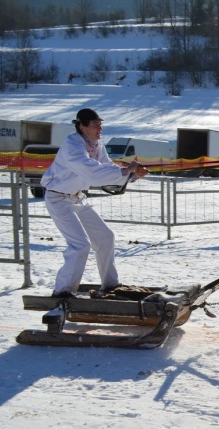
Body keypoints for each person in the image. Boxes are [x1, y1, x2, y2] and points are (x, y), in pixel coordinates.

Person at [40, 108, 149, 298]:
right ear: (82, 126)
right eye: (95, 125)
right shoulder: (72, 145)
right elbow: (92, 172)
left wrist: (132, 175)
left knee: (105, 237)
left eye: (101, 124)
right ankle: (63, 291)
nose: (100, 128)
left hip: (78, 198)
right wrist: (125, 171)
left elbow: (107, 169)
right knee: (80, 245)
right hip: (58, 199)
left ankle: (110, 285)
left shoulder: (97, 146)